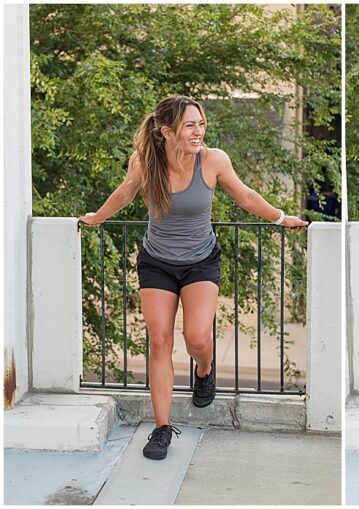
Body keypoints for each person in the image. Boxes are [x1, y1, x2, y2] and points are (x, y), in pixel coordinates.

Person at [80, 95, 307, 460]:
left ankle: (205, 368)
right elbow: (125, 192)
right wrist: (97, 217)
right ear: (168, 131)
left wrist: (281, 218)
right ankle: (161, 428)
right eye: (190, 125)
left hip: (201, 261)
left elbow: (245, 196)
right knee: (159, 341)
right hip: (157, 262)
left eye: (201, 123)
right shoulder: (145, 161)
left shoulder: (214, 160)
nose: (198, 131)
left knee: (198, 338)